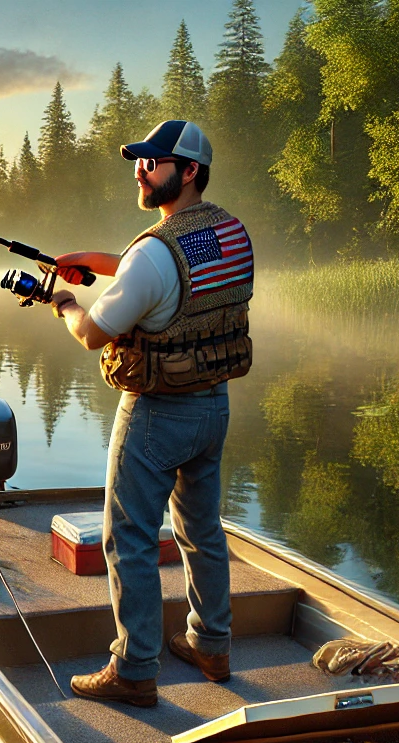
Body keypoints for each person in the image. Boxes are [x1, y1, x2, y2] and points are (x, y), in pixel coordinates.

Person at [49, 120, 254, 708]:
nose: (141, 169)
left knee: (129, 537)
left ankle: (135, 670)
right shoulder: (226, 232)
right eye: (138, 160)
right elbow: (174, 276)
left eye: (154, 161)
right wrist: (103, 262)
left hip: (156, 413)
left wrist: (62, 301)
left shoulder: (153, 256)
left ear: (188, 170)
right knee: (201, 530)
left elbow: (91, 332)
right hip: (213, 406)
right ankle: (212, 646)